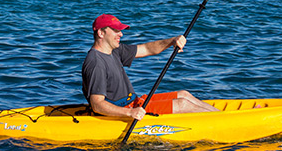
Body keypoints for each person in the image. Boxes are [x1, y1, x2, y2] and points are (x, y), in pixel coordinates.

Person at [82, 14, 219, 121]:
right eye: (116, 30)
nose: (121, 34)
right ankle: (222, 122)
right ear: (101, 33)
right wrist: (130, 113)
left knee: (184, 94)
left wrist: (171, 41)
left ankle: (221, 116)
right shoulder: (95, 62)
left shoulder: (115, 50)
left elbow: (147, 48)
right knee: (182, 104)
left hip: (134, 102)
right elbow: (97, 104)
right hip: (124, 110)